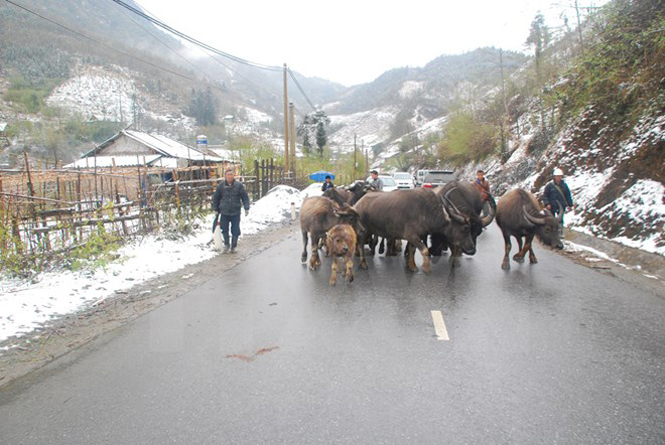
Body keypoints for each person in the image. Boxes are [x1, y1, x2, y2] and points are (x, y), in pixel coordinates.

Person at [212, 168, 250, 254]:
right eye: (228, 175)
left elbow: (244, 197)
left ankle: (234, 246)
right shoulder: (221, 186)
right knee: (224, 229)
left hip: (235, 212)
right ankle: (226, 244)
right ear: (225, 176)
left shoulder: (238, 186)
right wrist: (216, 209)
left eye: (231, 174)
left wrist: (246, 207)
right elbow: (216, 198)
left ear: (234, 175)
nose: (230, 176)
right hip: (224, 212)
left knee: (235, 229)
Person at [542, 167, 574, 234]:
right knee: (551, 220)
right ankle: (552, 233)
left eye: (560, 176)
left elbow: (568, 195)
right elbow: (545, 195)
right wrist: (547, 203)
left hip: (561, 206)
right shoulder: (549, 186)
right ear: (554, 177)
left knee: (560, 220)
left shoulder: (564, 186)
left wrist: (570, 205)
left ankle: (560, 233)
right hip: (552, 206)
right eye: (557, 176)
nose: (559, 178)